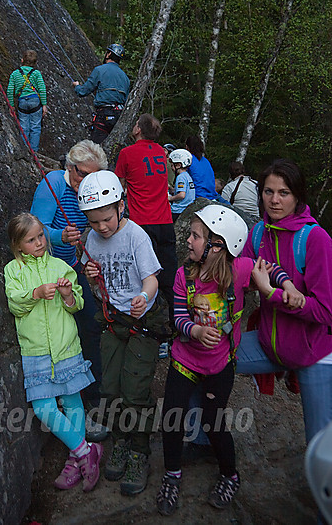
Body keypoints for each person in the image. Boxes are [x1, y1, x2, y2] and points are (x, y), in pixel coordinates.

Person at [156, 205, 299, 516]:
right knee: (172, 417)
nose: (189, 240)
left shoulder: (240, 271)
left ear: (217, 246)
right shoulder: (184, 275)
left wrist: (285, 284)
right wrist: (193, 330)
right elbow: (179, 315)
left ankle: (230, 474)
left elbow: (270, 268)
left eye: (196, 236)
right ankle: (172, 473)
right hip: (185, 359)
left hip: (220, 364)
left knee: (213, 421)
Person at [237, 158, 332, 522]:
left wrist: (275, 295)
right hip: (267, 344)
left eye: (284, 193)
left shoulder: (316, 239)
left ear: (297, 196)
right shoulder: (259, 233)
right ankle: (203, 444)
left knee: (321, 452)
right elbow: (244, 269)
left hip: (314, 355)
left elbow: (326, 312)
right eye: (268, 192)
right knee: (206, 356)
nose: (274, 200)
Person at [78, 170, 164, 496]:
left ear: (120, 206)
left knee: (135, 391)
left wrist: (144, 296)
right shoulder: (91, 239)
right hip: (112, 319)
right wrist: (89, 274)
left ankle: (139, 451)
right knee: (110, 388)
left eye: (106, 219)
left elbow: (152, 277)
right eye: (94, 221)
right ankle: (121, 442)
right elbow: (98, 284)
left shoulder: (136, 237)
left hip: (140, 321)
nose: (101, 227)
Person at [4, 213, 102, 492]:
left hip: (66, 344)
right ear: (18, 245)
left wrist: (69, 295)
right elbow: (15, 304)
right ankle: (86, 451)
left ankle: (75, 460)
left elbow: (78, 305)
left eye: (41, 237)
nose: (39, 243)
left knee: (72, 402)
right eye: (31, 240)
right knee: (44, 408)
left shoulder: (61, 266)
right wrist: (35, 293)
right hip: (35, 350)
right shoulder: (13, 270)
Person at [30, 140, 109, 441]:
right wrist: (60, 235)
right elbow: (34, 227)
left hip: (72, 269)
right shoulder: (53, 183)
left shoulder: (86, 190)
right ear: (70, 166)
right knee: (63, 333)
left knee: (89, 325)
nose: (83, 181)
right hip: (48, 270)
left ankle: (93, 395)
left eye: (91, 176)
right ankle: (66, 399)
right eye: (80, 173)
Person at [115, 114, 177, 327]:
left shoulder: (127, 153)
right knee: (168, 276)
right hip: (165, 221)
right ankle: (176, 322)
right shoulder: (161, 151)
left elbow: (119, 185)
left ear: (138, 130)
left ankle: (149, 326)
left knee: (145, 277)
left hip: (143, 223)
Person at [73, 44, 130, 144]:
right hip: (118, 116)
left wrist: (77, 86)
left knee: (96, 147)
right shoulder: (125, 77)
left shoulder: (100, 70)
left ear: (108, 54)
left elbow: (83, 91)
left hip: (104, 115)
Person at [7, 50, 47, 153]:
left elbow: (10, 90)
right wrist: (44, 105)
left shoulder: (15, 74)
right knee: (35, 127)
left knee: (24, 127)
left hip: (22, 102)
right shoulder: (36, 73)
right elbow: (42, 89)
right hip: (35, 102)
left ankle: (24, 150)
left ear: (22, 60)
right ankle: (34, 151)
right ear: (35, 63)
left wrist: (11, 105)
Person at [185, 135, 218, 200]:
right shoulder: (205, 161)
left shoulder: (188, 160)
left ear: (187, 147)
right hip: (212, 196)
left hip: (197, 196)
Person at [168, 148, 196, 222]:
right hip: (187, 208)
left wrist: (170, 198)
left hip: (178, 210)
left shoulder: (180, 177)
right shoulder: (187, 176)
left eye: (172, 165)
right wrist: (171, 189)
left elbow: (182, 195)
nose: (171, 168)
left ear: (178, 165)